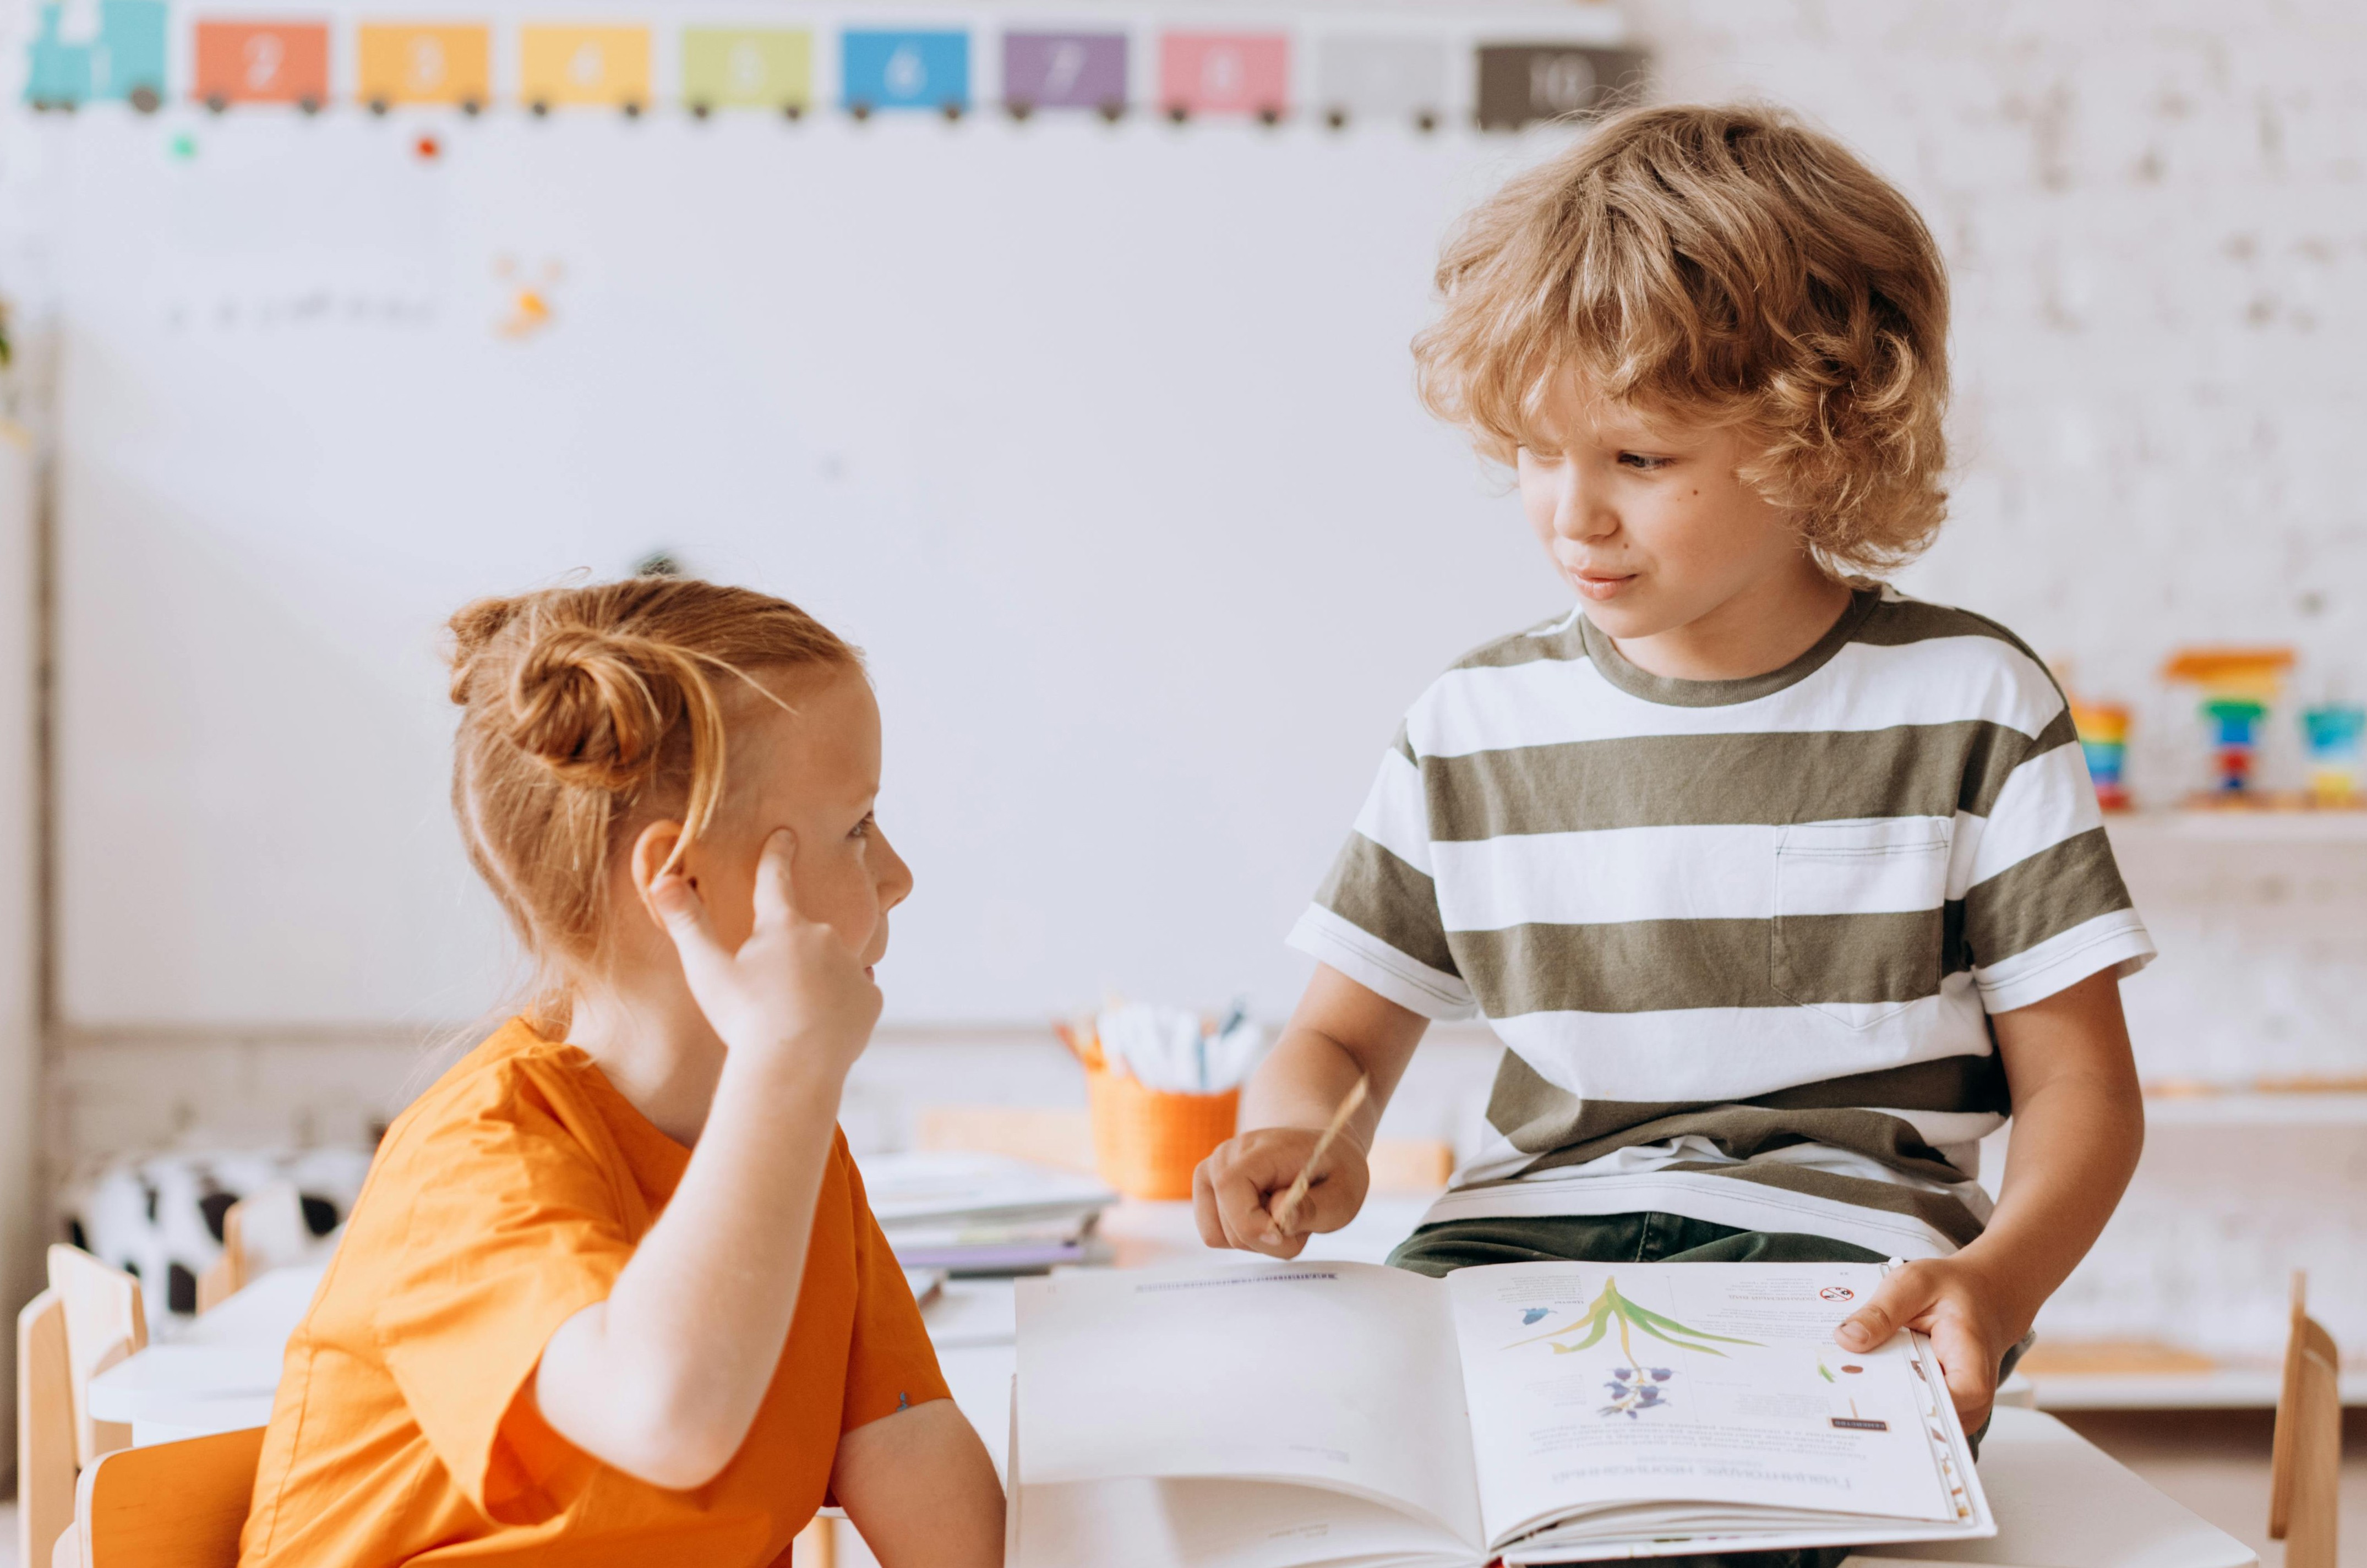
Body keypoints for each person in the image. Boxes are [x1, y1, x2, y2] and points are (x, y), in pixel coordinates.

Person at [1195, 101, 2150, 1500]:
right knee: (1315, 1497)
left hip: (1834, 1276)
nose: (1568, 513)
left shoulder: (1970, 704)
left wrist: (1995, 1284)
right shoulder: (1470, 726)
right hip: (1512, 1260)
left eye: (1637, 461)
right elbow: (1338, 1036)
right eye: (1533, 452)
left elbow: (2079, 1085)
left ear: (1815, 441)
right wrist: (1297, 1134)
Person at [239, 577, 1003, 1567]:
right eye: (857, 826)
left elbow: (905, 1438)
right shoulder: (478, 1160)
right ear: (677, 881)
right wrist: (785, 1066)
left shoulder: (790, 1146)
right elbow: (667, 1415)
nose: (896, 873)